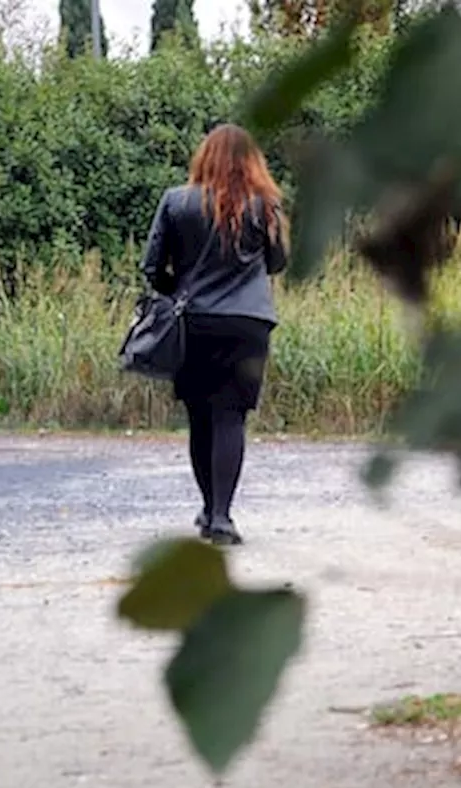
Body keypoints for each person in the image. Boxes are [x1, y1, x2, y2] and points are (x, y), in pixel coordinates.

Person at [139, 123, 288, 546]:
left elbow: (152, 268)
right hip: (248, 323)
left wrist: (179, 291)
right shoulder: (266, 206)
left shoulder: (176, 202)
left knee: (200, 416)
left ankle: (209, 509)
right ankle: (221, 516)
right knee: (230, 417)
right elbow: (277, 262)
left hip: (194, 322)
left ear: (203, 156)